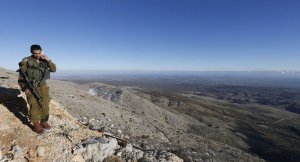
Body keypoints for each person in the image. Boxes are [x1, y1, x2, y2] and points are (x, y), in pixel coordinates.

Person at [18, 44, 56, 134]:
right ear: (31, 52)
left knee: (45, 103)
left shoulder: (44, 60)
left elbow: (53, 69)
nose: (37, 55)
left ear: (41, 51)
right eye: (35, 53)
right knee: (34, 105)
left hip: (43, 86)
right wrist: (25, 87)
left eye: (39, 53)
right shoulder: (26, 61)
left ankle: (44, 122)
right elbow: (21, 76)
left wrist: (48, 60)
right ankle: (36, 125)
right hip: (31, 86)